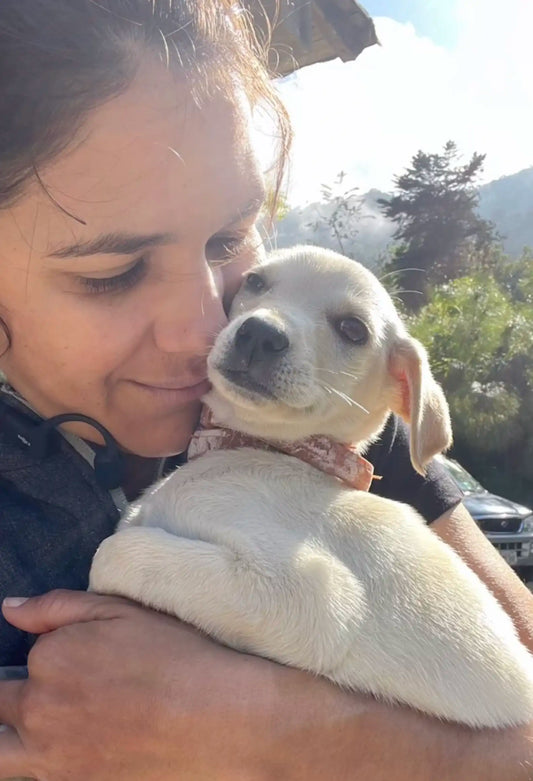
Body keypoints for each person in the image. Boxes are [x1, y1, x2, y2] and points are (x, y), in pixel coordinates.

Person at [0, 2, 532, 779]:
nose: (211, 323)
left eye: (228, 242)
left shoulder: (332, 422)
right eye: (110, 274)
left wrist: (312, 739)